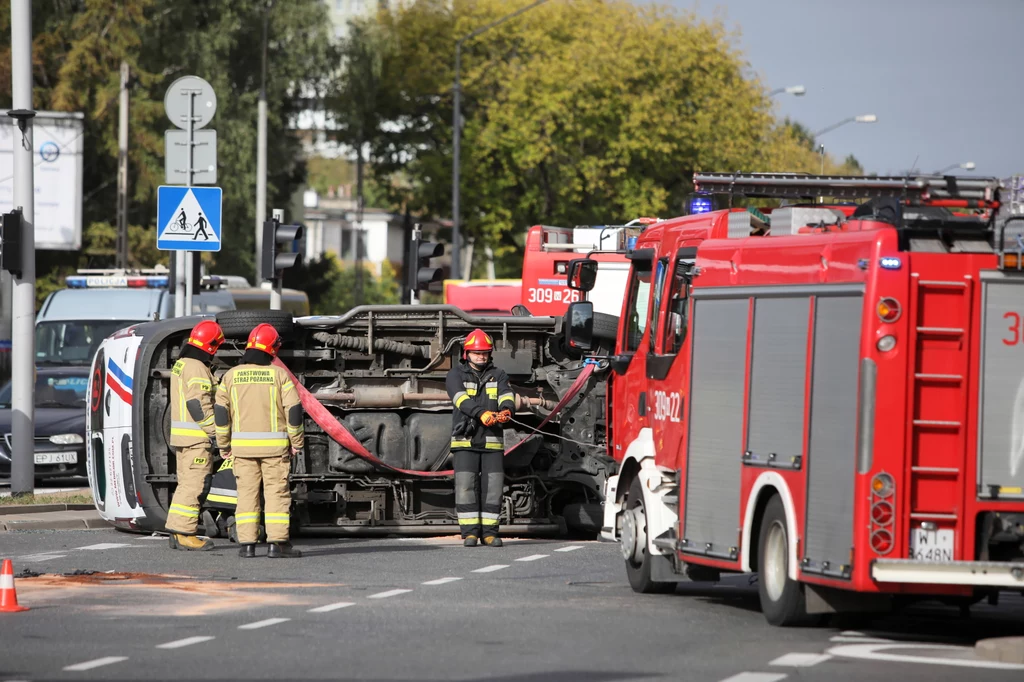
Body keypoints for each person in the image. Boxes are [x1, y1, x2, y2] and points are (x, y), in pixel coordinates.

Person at [215, 324, 304, 558]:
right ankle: (277, 545)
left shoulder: (231, 376)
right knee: (276, 494)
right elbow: (293, 411)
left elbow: (221, 414)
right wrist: (297, 442)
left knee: (246, 496)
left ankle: (247, 545)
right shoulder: (280, 375)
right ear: (272, 349)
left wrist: (224, 445)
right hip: (275, 449)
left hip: (242, 450)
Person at [445, 328, 516, 547]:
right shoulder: (455, 374)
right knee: (466, 487)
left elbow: (507, 395)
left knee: (493, 488)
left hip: (492, 441)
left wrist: (507, 410)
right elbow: (460, 398)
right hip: (465, 440)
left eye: (484, 353)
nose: (481, 356)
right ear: (467, 353)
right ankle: (470, 533)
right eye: (477, 353)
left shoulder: (499, 374)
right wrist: (481, 413)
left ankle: (490, 533)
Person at [165, 319, 225, 551]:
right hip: (196, 439)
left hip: (184, 439)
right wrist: (215, 431)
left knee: (186, 485)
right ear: (211, 345)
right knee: (195, 486)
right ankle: (185, 534)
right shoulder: (197, 367)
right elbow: (198, 403)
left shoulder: (183, 363)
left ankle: (177, 531)